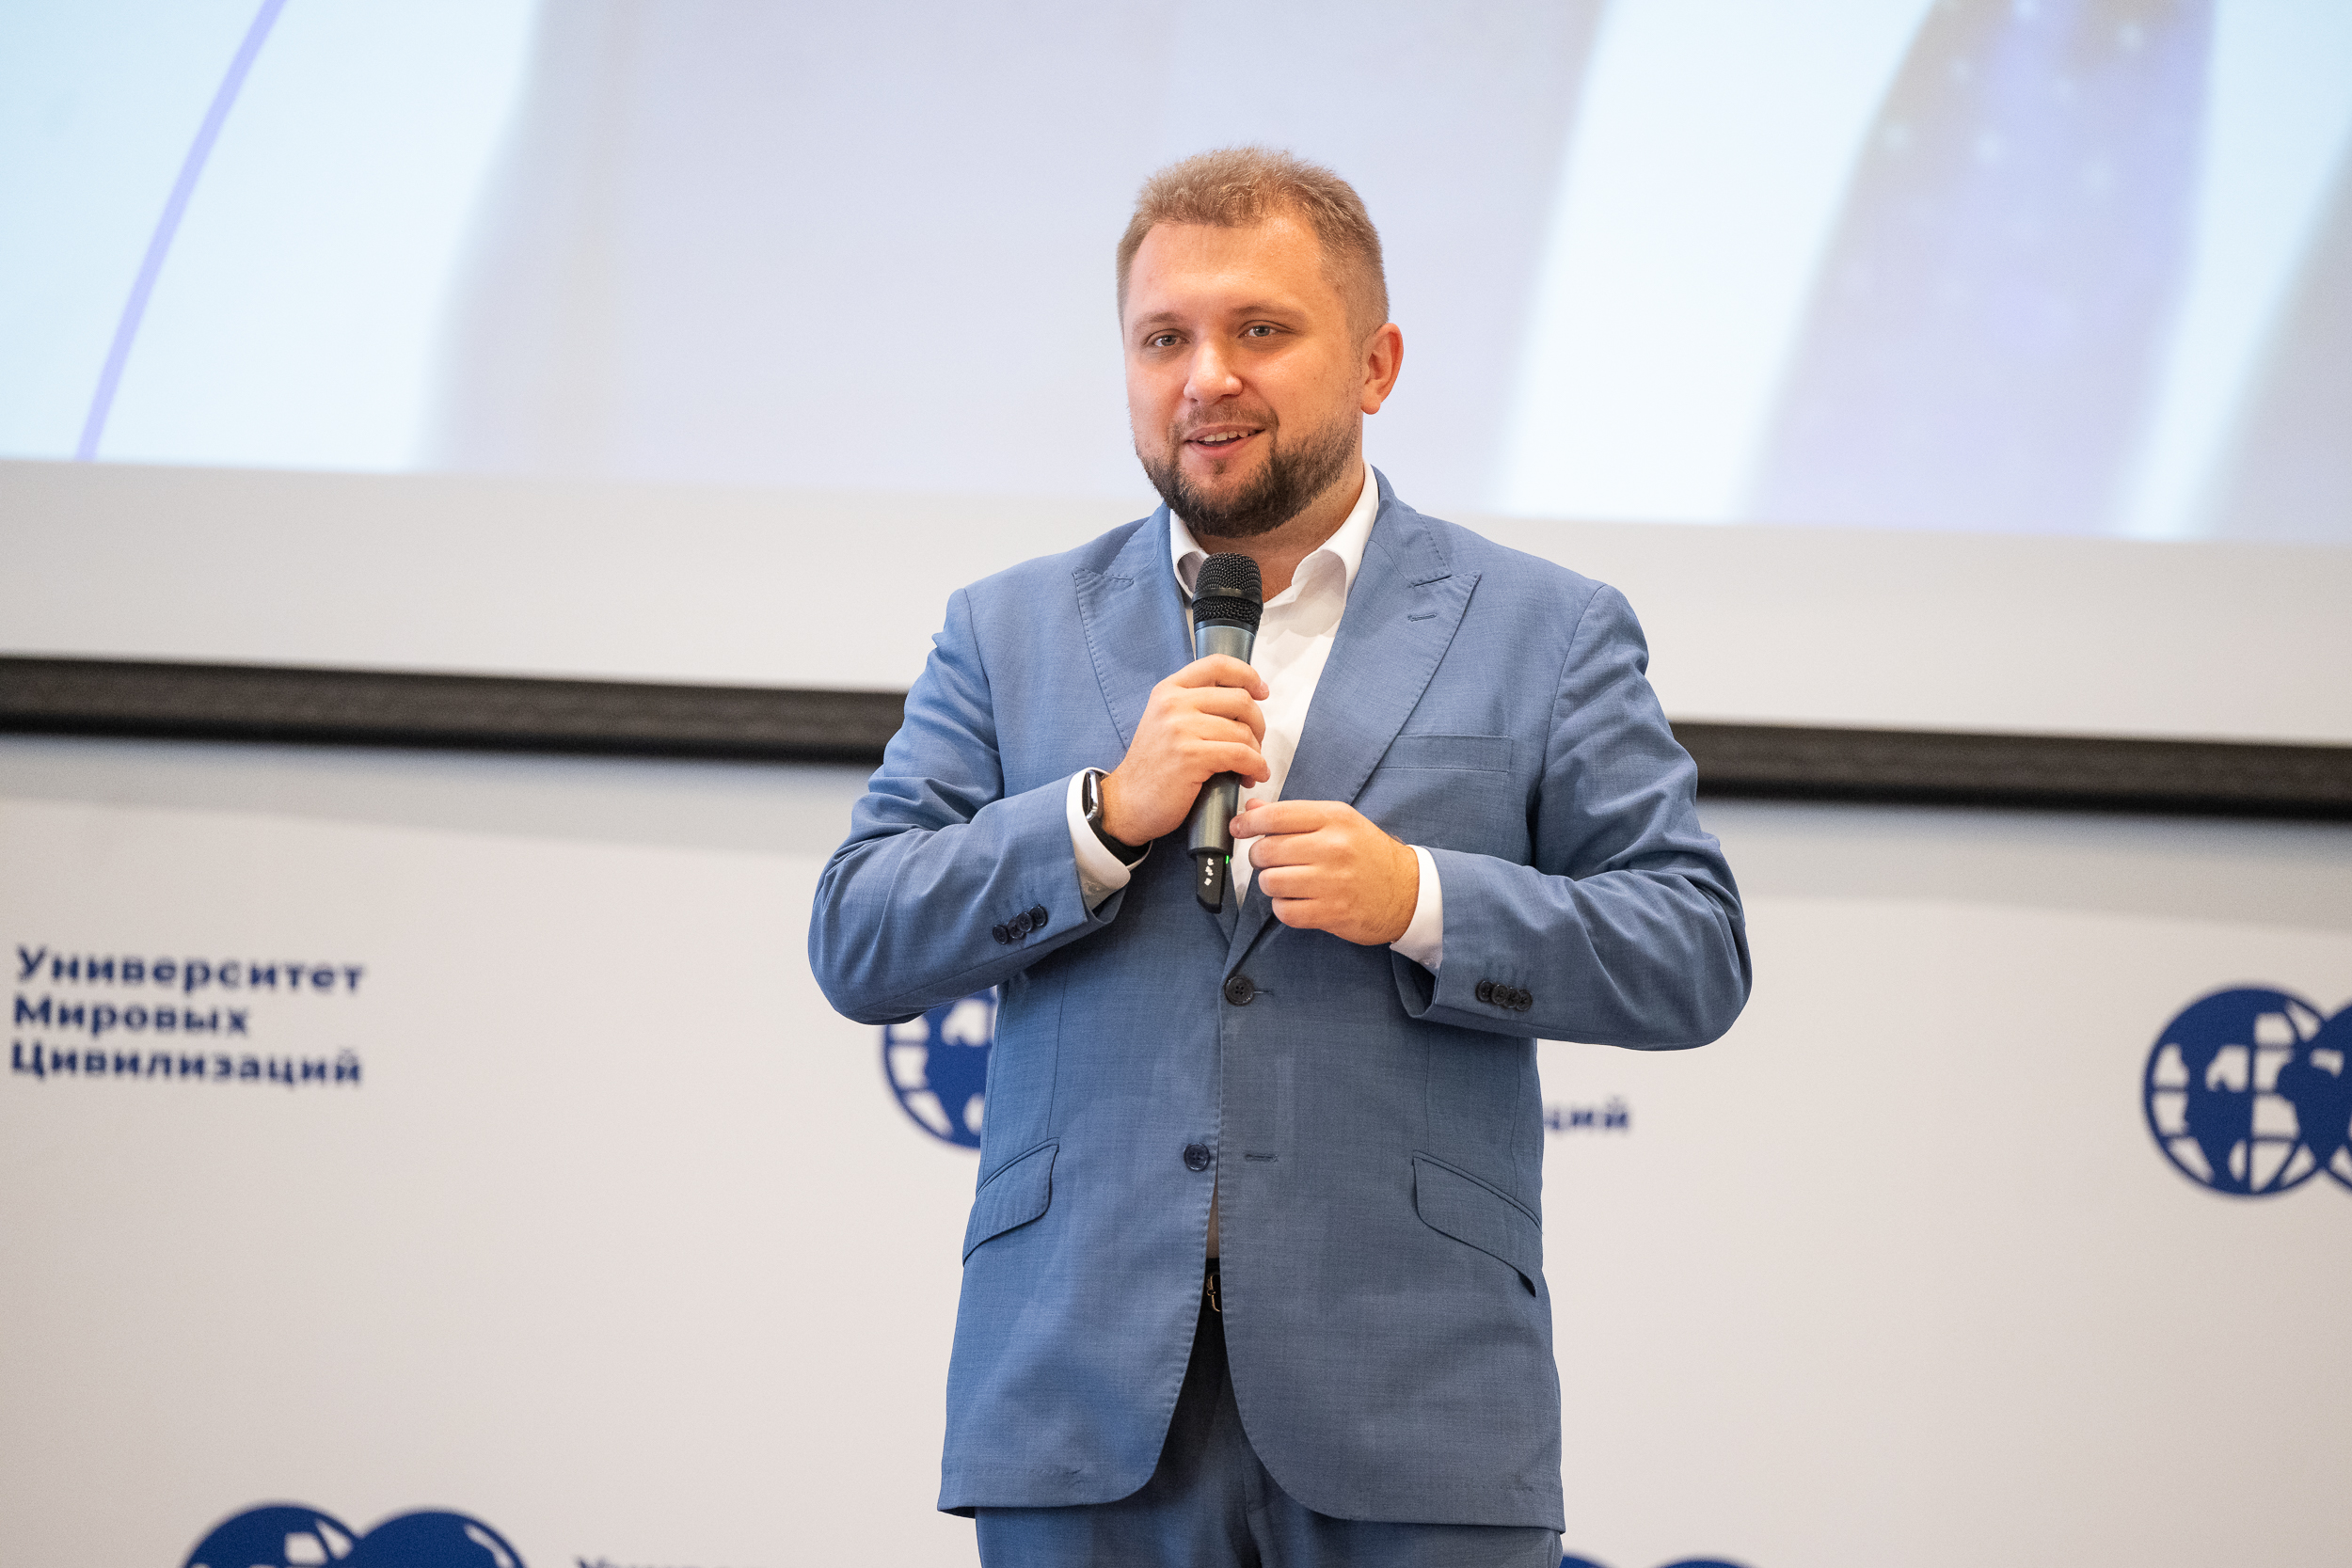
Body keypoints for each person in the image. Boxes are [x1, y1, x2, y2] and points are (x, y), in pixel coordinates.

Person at [810, 147, 1751, 1567]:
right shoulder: (1007, 630)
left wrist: (1422, 900)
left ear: (1375, 365)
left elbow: (1692, 948)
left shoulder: (1544, 630)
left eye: (1259, 329)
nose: (1207, 378)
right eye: (1163, 339)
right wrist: (1100, 818)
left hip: (1417, 1402)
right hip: (1079, 1403)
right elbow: (859, 933)